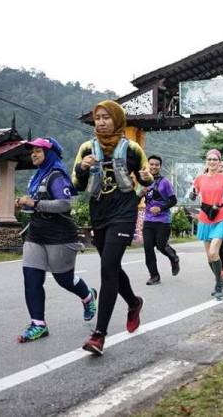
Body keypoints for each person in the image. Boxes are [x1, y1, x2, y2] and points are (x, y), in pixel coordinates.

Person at [72, 100, 153, 355]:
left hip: (124, 212)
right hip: (99, 212)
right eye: (98, 118)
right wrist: (82, 168)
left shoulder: (132, 148)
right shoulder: (86, 148)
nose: (101, 122)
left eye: (107, 117)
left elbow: (144, 180)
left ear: (117, 120)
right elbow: (75, 184)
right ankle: (133, 302)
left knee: (107, 268)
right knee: (112, 266)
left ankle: (99, 335)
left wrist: (146, 180)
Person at [15, 137, 97, 343]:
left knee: (64, 279)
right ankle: (38, 324)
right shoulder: (37, 176)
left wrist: (33, 204)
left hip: (60, 235)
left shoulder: (57, 175)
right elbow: (38, 203)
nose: (33, 154)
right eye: (32, 151)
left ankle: (88, 296)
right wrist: (24, 204)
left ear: (49, 154)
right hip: (36, 234)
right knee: (31, 277)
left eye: (38, 151)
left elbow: (64, 204)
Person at [191, 149, 223, 300]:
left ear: (219, 162)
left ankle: (219, 285)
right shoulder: (199, 178)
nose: (212, 162)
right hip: (205, 218)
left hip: (221, 217)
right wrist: (192, 195)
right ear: (206, 161)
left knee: (214, 253)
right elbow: (193, 196)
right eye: (209, 159)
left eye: (215, 159)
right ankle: (220, 281)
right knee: (209, 258)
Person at [138, 155, 180, 285]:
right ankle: (154, 276)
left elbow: (173, 200)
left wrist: (160, 208)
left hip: (163, 220)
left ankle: (173, 257)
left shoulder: (165, 182)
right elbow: (135, 200)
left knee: (161, 246)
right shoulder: (143, 182)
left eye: (156, 164)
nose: (154, 166)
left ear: (160, 166)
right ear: (147, 165)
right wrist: (140, 193)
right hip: (148, 220)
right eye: (151, 164)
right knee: (148, 248)